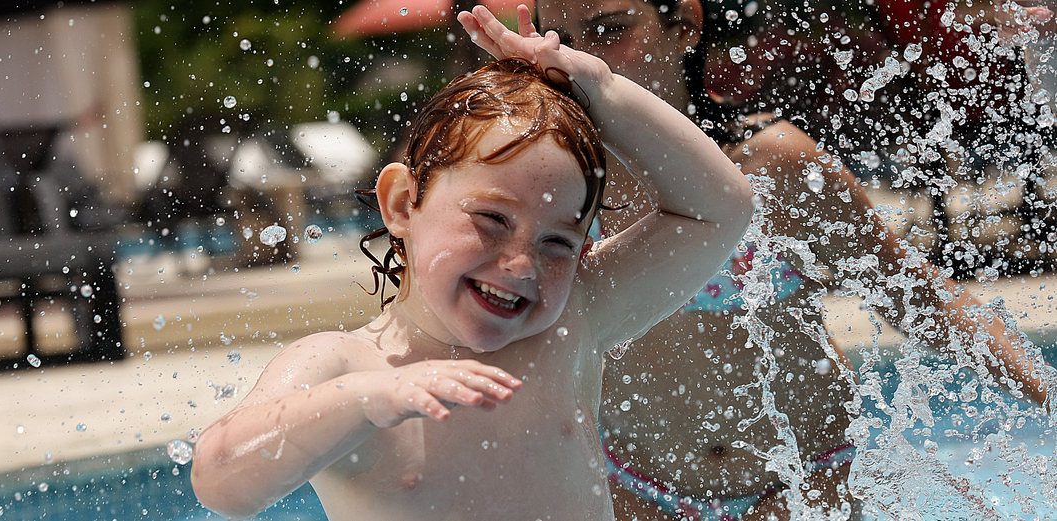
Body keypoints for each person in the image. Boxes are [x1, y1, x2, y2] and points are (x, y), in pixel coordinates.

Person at [189, 6, 754, 520]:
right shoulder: (345, 366)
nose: (520, 265)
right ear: (402, 204)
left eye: (558, 244)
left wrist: (602, 89)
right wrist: (367, 400)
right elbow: (219, 481)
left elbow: (721, 208)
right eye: (492, 220)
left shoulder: (569, 324)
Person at [535, 0, 1054, 519]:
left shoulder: (774, 163)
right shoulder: (560, 182)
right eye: (556, 37)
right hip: (635, 483)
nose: (579, 57)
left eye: (610, 30)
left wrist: (1046, 391)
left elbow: (912, 295)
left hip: (804, 480)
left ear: (685, 26)